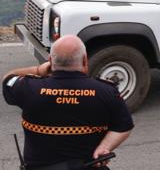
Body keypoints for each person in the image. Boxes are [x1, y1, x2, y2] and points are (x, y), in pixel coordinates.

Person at [2, 35, 134, 170]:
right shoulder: (107, 91)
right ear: (84, 60)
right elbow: (123, 126)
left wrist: (38, 70)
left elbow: (7, 78)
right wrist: (104, 147)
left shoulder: (27, 88)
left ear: (50, 60)